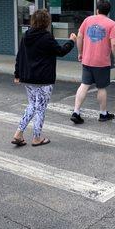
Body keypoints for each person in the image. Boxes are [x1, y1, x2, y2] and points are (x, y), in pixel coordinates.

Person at [13, 9, 76, 146]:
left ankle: (19, 133)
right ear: (47, 22)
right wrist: (71, 41)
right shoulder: (46, 37)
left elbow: (19, 56)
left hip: (28, 78)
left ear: (33, 21)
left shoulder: (26, 35)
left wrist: (17, 74)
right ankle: (36, 138)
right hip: (43, 79)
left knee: (32, 105)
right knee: (40, 108)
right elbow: (60, 51)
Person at [71, 0, 115, 124]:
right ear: (108, 12)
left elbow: (80, 36)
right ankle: (103, 114)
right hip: (102, 62)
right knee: (101, 87)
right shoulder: (112, 24)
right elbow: (114, 44)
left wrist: (80, 52)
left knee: (84, 85)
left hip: (87, 60)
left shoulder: (87, 20)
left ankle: (76, 112)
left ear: (97, 10)